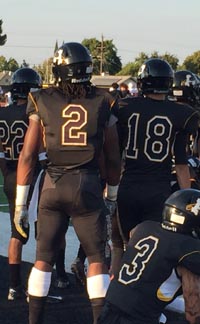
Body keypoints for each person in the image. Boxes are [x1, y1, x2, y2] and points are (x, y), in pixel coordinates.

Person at [14, 42, 121, 324]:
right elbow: (112, 157)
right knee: (97, 258)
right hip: (86, 184)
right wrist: (112, 194)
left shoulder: (42, 98)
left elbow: (27, 156)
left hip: (52, 183)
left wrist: (21, 204)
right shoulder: (104, 100)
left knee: (43, 258)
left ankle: (34, 320)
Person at [116, 58, 200, 246]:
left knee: (125, 245)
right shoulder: (181, 113)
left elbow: (116, 151)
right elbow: (180, 163)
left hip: (128, 185)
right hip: (158, 189)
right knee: (149, 246)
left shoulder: (125, 107)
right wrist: (186, 196)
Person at [98, 188, 200, 324]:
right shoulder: (188, 250)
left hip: (108, 311)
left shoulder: (144, 228)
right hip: (138, 318)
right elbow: (193, 312)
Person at [0, 67, 43, 300]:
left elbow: (1, 157)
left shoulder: (2, 114)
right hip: (32, 176)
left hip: (11, 175)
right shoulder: (34, 115)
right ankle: (41, 285)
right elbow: (41, 151)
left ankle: (13, 286)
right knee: (43, 233)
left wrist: (9, 174)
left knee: (16, 232)